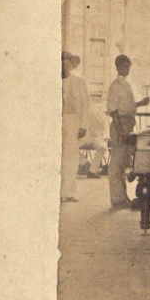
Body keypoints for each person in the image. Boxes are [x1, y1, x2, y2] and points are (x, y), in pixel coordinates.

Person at [106, 55, 150, 210]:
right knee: (117, 163)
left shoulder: (124, 85)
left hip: (127, 125)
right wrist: (121, 131)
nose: (126, 69)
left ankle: (122, 197)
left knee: (123, 162)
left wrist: (141, 104)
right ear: (118, 67)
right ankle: (117, 199)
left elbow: (126, 106)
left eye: (128, 67)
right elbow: (113, 111)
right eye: (124, 67)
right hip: (120, 126)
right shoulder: (116, 85)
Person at [61, 51, 89, 203]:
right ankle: (57, 191)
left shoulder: (79, 83)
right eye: (61, 63)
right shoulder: (53, 82)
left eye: (67, 63)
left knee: (71, 156)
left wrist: (83, 125)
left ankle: (69, 192)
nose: (64, 66)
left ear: (71, 65)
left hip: (72, 121)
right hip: (57, 122)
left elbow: (86, 105)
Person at [78, 110, 109, 179]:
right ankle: (86, 163)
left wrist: (103, 136)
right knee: (71, 147)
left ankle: (92, 171)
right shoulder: (83, 104)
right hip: (83, 136)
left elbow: (104, 127)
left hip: (95, 137)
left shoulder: (101, 109)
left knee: (102, 147)